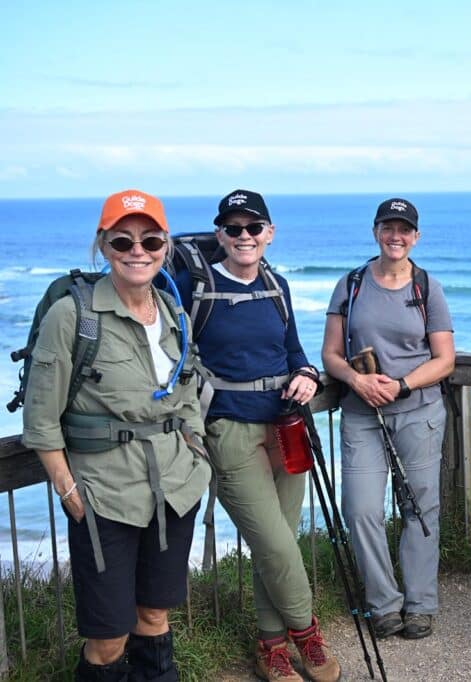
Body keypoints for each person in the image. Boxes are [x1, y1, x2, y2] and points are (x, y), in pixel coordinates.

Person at [21, 190, 211, 681]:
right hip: (103, 497)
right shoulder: (73, 317)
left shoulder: (172, 311)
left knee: (154, 617)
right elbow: (41, 421)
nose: (137, 251)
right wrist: (69, 492)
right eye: (122, 240)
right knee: (108, 638)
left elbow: (187, 392)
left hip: (173, 487)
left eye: (150, 239)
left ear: (165, 245)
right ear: (103, 245)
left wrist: (195, 453)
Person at [174, 190, 339, 682]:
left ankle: (271, 645)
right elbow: (172, 356)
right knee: (275, 543)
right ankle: (306, 633)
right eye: (233, 228)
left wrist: (308, 374)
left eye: (253, 227)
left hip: (285, 425)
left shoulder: (276, 284)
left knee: (281, 539)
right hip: (228, 429)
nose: (244, 237)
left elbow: (292, 348)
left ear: (270, 233)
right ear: (219, 235)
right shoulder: (192, 287)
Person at [322, 197, 455, 641]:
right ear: (376, 231)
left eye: (404, 229)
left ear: (415, 237)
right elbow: (331, 354)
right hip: (361, 413)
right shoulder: (352, 284)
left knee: (419, 508)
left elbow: (445, 359)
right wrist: (354, 382)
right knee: (360, 508)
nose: (395, 236)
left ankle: (420, 604)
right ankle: (383, 603)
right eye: (387, 227)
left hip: (418, 411)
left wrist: (400, 385)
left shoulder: (427, 287)